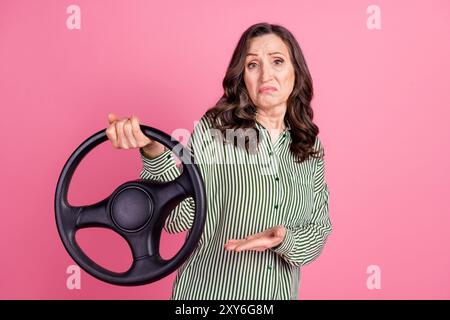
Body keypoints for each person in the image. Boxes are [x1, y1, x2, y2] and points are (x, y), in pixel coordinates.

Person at [105, 22, 332, 300]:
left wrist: (285, 239)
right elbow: (176, 219)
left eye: (277, 61)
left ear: (296, 71)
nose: (265, 75)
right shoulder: (217, 132)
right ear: (243, 77)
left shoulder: (309, 147)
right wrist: (154, 152)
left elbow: (318, 231)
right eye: (252, 65)